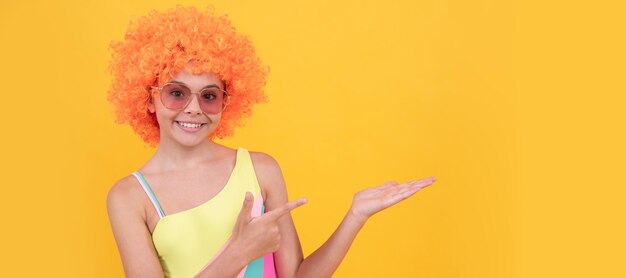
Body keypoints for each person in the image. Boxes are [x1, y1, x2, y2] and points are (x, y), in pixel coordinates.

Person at [106, 6, 436, 278]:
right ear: (147, 98)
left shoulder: (260, 169)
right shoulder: (130, 197)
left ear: (225, 103)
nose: (193, 107)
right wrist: (239, 253)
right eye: (176, 93)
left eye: (209, 95)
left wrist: (355, 216)